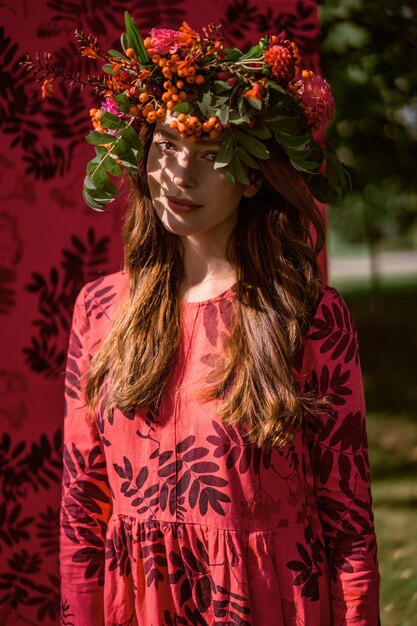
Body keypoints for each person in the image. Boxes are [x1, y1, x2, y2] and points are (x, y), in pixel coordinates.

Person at [37, 13, 380, 626]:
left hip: (267, 602)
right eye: (166, 146)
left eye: (211, 154)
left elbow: (347, 517)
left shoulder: (309, 315)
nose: (180, 174)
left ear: (251, 177)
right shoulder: (99, 309)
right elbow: (82, 504)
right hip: (138, 603)